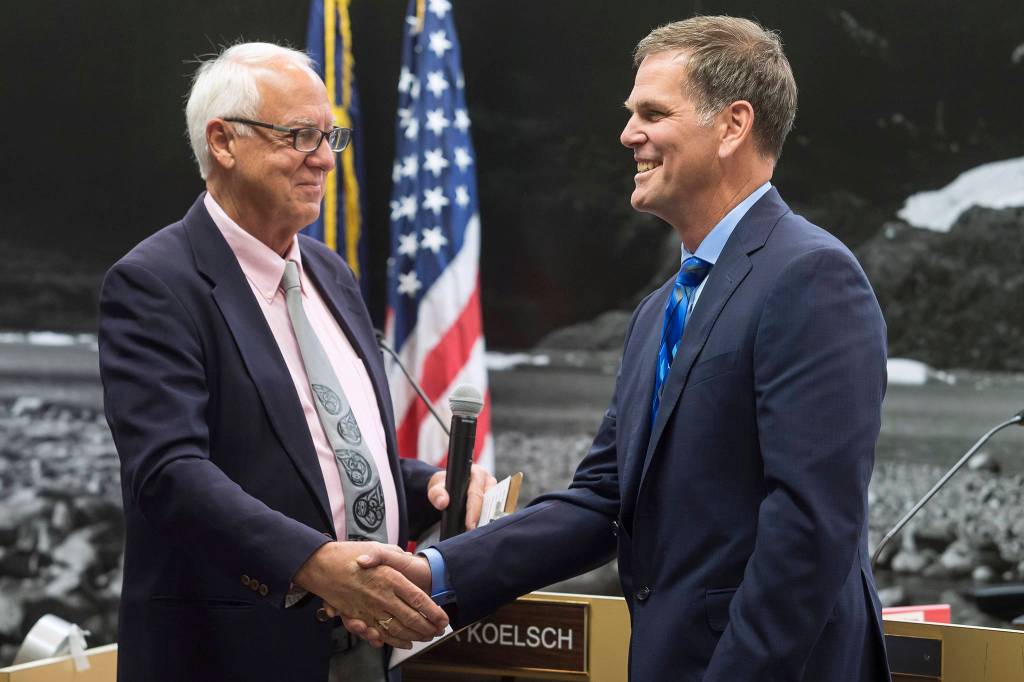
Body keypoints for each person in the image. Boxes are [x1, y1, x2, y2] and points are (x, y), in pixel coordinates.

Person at [353, 16, 891, 681]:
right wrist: (433, 572)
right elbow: (601, 502)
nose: (627, 133)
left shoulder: (813, 278)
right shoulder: (657, 313)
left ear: (734, 124)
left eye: (652, 113)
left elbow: (808, 533)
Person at [98, 42, 493, 682]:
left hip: (367, 651)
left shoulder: (330, 274)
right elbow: (168, 473)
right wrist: (313, 562)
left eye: (328, 135)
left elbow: (325, 453)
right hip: (230, 654)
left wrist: (425, 487)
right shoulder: (155, 283)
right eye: (299, 136)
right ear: (223, 142)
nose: (323, 160)